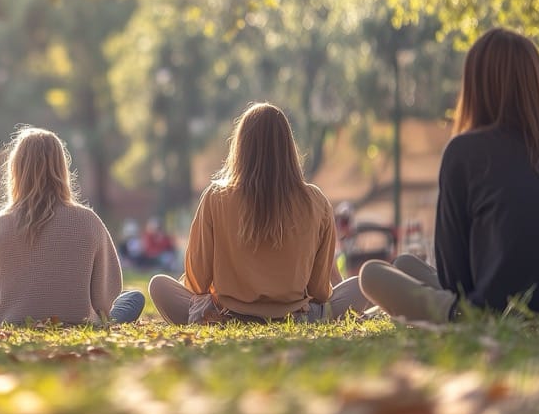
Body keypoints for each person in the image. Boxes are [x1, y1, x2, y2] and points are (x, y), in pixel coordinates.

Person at [359, 29, 539, 326]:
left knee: (371, 275)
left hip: (495, 316)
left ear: (476, 86)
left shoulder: (466, 151)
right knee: (404, 264)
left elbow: (455, 281)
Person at [148, 103, 371, 324]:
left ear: (240, 146)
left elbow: (196, 283)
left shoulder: (215, 197)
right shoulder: (315, 200)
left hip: (225, 317)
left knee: (159, 285)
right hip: (297, 318)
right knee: (361, 285)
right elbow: (320, 291)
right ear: (288, 147)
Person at [0, 127, 145, 324]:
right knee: (133, 297)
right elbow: (105, 297)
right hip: (81, 321)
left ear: (16, 171)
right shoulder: (89, 221)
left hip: (11, 321)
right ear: (62, 168)